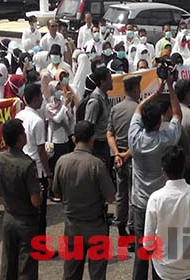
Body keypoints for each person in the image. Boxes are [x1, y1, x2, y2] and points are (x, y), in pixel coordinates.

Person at [129, 74, 182, 280]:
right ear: (160, 121)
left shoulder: (134, 139)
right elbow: (177, 114)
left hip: (141, 203)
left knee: (142, 251)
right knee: (163, 249)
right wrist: (169, 87)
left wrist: (156, 94)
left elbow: (137, 110)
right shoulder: (166, 139)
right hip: (161, 202)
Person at [53, 120, 116, 280]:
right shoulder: (97, 165)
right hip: (95, 226)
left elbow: (57, 193)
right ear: (92, 139)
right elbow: (111, 197)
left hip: (72, 227)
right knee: (97, 275)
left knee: (71, 273)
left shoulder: (61, 162)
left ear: (74, 139)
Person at [144, 146, 190, 280]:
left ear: (163, 171)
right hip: (189, 270)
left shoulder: (155, 199)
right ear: (185, 167)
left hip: (162, 270)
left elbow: (148, 243)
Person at [0, 119, 42, 280]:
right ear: (20, 138)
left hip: (9, 218)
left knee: (8, 265)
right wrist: (39, 192)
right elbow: (36, 201)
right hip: (27, 222)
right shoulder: (27, 165)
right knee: (27, 267)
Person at [107, 74, 141, 239]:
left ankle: (121, 226)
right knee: (134, 194)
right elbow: (141, 137)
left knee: (121, 194)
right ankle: (132, 228)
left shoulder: (115, 109)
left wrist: (117, 154)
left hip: (119, 157)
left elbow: (109, 134)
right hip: (133, 157)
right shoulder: (139, 109)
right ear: (136, 89)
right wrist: (127, 154)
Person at [16, 84, 52, 236]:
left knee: (25, 207)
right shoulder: (37, 121)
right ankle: (40, 245)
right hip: (37, 170)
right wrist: (49, 173)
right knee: (40, 211)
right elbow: (41, 150)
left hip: (22, 165)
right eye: (41, 97)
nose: (42, 100)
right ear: (36, 98)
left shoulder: (19, 116)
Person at [85, 67, 113, 173]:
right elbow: (88, 126)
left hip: (104, 145)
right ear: (102, 81)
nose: (112, 81)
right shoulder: (95, 101)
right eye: (109, 78)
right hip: (97, 147)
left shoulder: (104, 97)